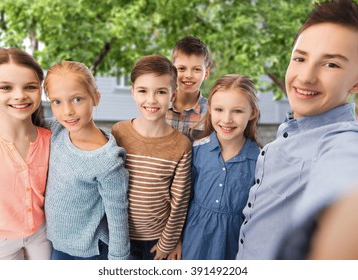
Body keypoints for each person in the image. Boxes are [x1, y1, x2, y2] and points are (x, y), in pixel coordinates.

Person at [236, 0, 358, 260]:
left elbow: (349, 177)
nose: (306, 76)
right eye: (300, 58)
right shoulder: (287, 134)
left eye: (331, 64)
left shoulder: (343, 141)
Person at [0, 61, 130, 260]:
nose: (67, 111)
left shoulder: (108, 159)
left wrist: (119, 261)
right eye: (57, 102)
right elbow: (12, 117)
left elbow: (118, 216)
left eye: (77, 99)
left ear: (96, 98)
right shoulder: (57, 129)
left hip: (90, 250)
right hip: (56, 245)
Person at [111, 54, 192, 260]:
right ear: (133, 93)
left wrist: (168, 242)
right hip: (118, 236)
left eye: (161, 92)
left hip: (156, 241)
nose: (151, 100)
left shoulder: (181, 145)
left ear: (173, 95)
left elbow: (179, 202)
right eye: (143, 91)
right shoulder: (119, 132)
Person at [0, 48, 52, 260]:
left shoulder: (51, 138)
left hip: (40, 233)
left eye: (30, 87)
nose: (19, 95)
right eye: (6, 88)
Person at [180, 74, 261, 260]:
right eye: (219, 109)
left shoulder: (260, 160)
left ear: (253, 112)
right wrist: (175, 242)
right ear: (209, 109)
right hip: (193, 241)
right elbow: (182, 201)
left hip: (234, 246)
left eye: (237, 111)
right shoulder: (196, 150)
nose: (227, 119)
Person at [166, 35, 211, 141]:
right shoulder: (160, 105)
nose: (189, 75)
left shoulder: (211, 113)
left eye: (196, 69)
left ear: (206, 74)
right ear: (172, 71)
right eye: (182, 68)